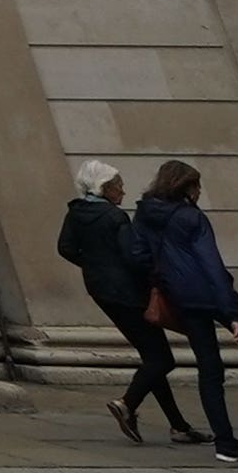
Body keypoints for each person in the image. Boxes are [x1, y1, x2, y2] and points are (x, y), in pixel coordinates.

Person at [134, 158, 238, 461]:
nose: (200, 191)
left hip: (178, 298)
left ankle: (225, 441)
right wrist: (232, 315)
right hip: (206, 297)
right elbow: (212, 266)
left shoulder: (143, 214)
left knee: (207, 367)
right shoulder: (191, 217)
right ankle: (237, 441)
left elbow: (137, 255)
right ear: (186, 187)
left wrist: (161, 279)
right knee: (225, 368)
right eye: (197, 185)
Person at [57, 158, 184, 441]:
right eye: (119, 187)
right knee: (162, 359)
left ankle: (179, 425)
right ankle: (126, 403)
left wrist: (94, 267)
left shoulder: (76, 213)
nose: (123, 192)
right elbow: (133, 257)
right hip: (129, 294)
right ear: (105, 188)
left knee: (152, 357)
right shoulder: (115, 217)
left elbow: (65, 248)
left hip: (101, 291)